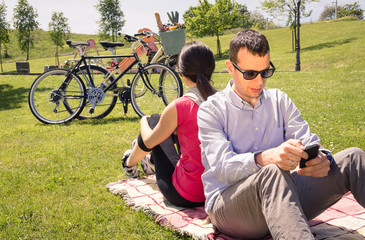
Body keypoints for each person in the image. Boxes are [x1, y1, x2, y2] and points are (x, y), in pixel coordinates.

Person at [197, 29, 365, 239]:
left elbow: (308, 140)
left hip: (282, 195)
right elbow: (223, 169)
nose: (259, 82)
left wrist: (321, 158)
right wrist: (265, 158)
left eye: (265, 72)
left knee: (354, 158)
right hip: (229, 207)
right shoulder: (210, 110)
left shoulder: (280, 100)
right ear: (230, 68)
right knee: (272, 172)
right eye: (250, 74)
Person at [122, 41, 217, 208]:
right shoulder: (226, 101)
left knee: (153, 121)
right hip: (217, 192)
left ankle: (129, 164)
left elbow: (150, 141)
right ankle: (147, 160)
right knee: (171, 128)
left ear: (182, 73)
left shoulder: (180, 106)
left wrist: (143, 121)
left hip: (185, 195)